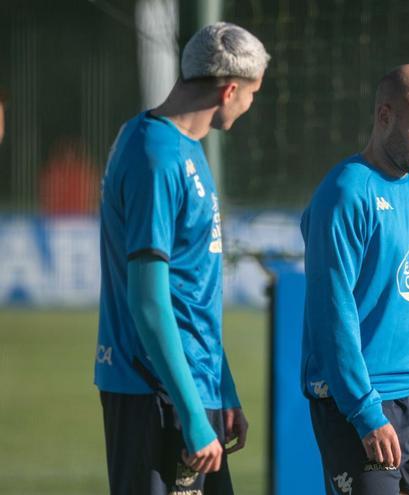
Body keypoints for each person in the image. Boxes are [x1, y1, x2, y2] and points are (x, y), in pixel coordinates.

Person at [94, 22, 269, 494]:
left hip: (191, 385)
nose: (251, 105)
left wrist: (222, 388)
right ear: (230, 89)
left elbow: (191, 289)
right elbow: (149, 302)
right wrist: (192, 414)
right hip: (155, 391)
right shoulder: (153, 154)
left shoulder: (186, 149)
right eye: (252, 93)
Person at [300, 64, 409, 495]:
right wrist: (366, 411)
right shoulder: (345, 194)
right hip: (363, 404)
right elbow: (333, 316)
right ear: (385, 116)